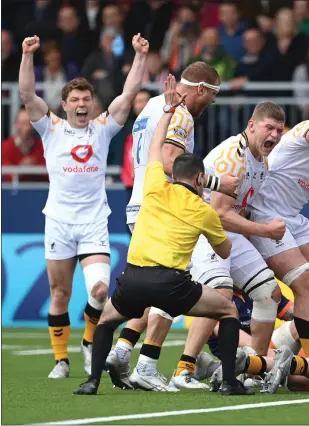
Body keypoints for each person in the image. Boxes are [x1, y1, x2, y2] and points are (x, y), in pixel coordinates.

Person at [73, 74, 254, 396]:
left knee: (104, 320)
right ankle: (226, 381)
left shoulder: (153, 185)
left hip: (132, 279)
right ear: (199, 178)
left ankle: (92, 380)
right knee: (226, 309)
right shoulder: (203, 211)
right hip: (171, 285)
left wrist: (168, 110)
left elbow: (156, 149)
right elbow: (225, 251)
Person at [19, 33, 149, 379]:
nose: (81, 103)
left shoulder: (103, 129)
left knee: (100, 290)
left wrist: (138, 56)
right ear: (64, 104)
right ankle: (61, 360)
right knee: (59, 293)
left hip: (93, 222)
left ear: (92, 104)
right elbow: (27, 94)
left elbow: (128, 94)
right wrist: (27, 55)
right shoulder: (51, 129)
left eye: (86, 98)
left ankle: (90, 343)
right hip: (59, 222)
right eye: (75, 98)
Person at [168, 103, 286, 391]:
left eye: (279, 130)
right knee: (219, 293)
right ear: (252, 125)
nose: (273, 135)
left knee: (268, 293)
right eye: (268, 127)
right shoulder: (234, 157)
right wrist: (266, 231)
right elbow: (219, 213)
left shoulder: (262, 161)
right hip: (202, 229)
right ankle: (184, 368)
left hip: (225, 232)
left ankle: (254, 368)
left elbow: (240, 211)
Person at [248, 120, 309, 360]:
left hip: (293, 219)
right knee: (304, 284)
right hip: (265, 216)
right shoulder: (302, 132)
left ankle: (283, 344)